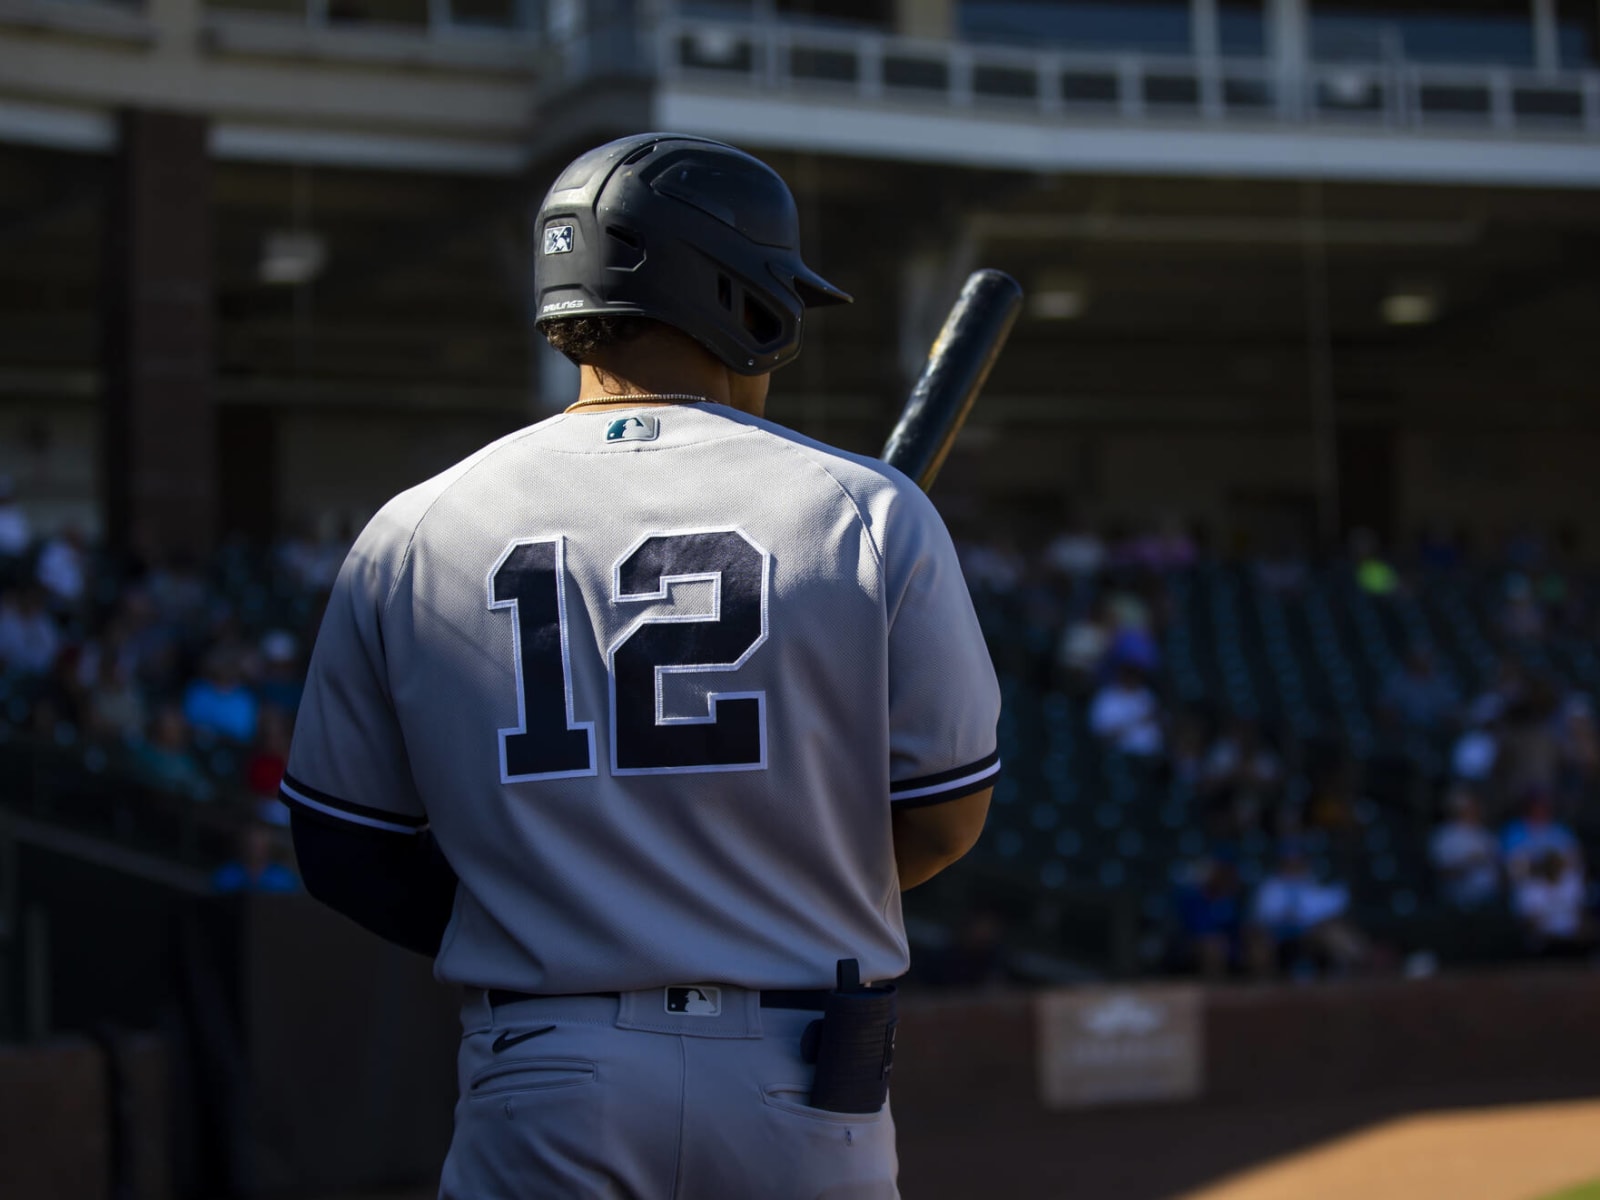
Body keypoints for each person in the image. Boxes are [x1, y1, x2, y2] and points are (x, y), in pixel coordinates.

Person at [280, 133, 1000, 1200]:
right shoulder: (864, 508)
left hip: (542, 1071)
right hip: (795, 1086)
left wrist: (556, 909)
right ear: (746, 302)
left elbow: (343, 847)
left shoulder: (414, 524)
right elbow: (944, 817)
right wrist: (754, 881)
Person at [1429, 786, 1500, 910]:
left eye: (1476, 807)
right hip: (1456, 901)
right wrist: (1469, 863)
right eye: (1469, 807)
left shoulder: (1486, 836)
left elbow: (1498, 870)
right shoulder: (1444, 835)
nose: (1474, 811)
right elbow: (1441, 872)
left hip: (1489, 900)